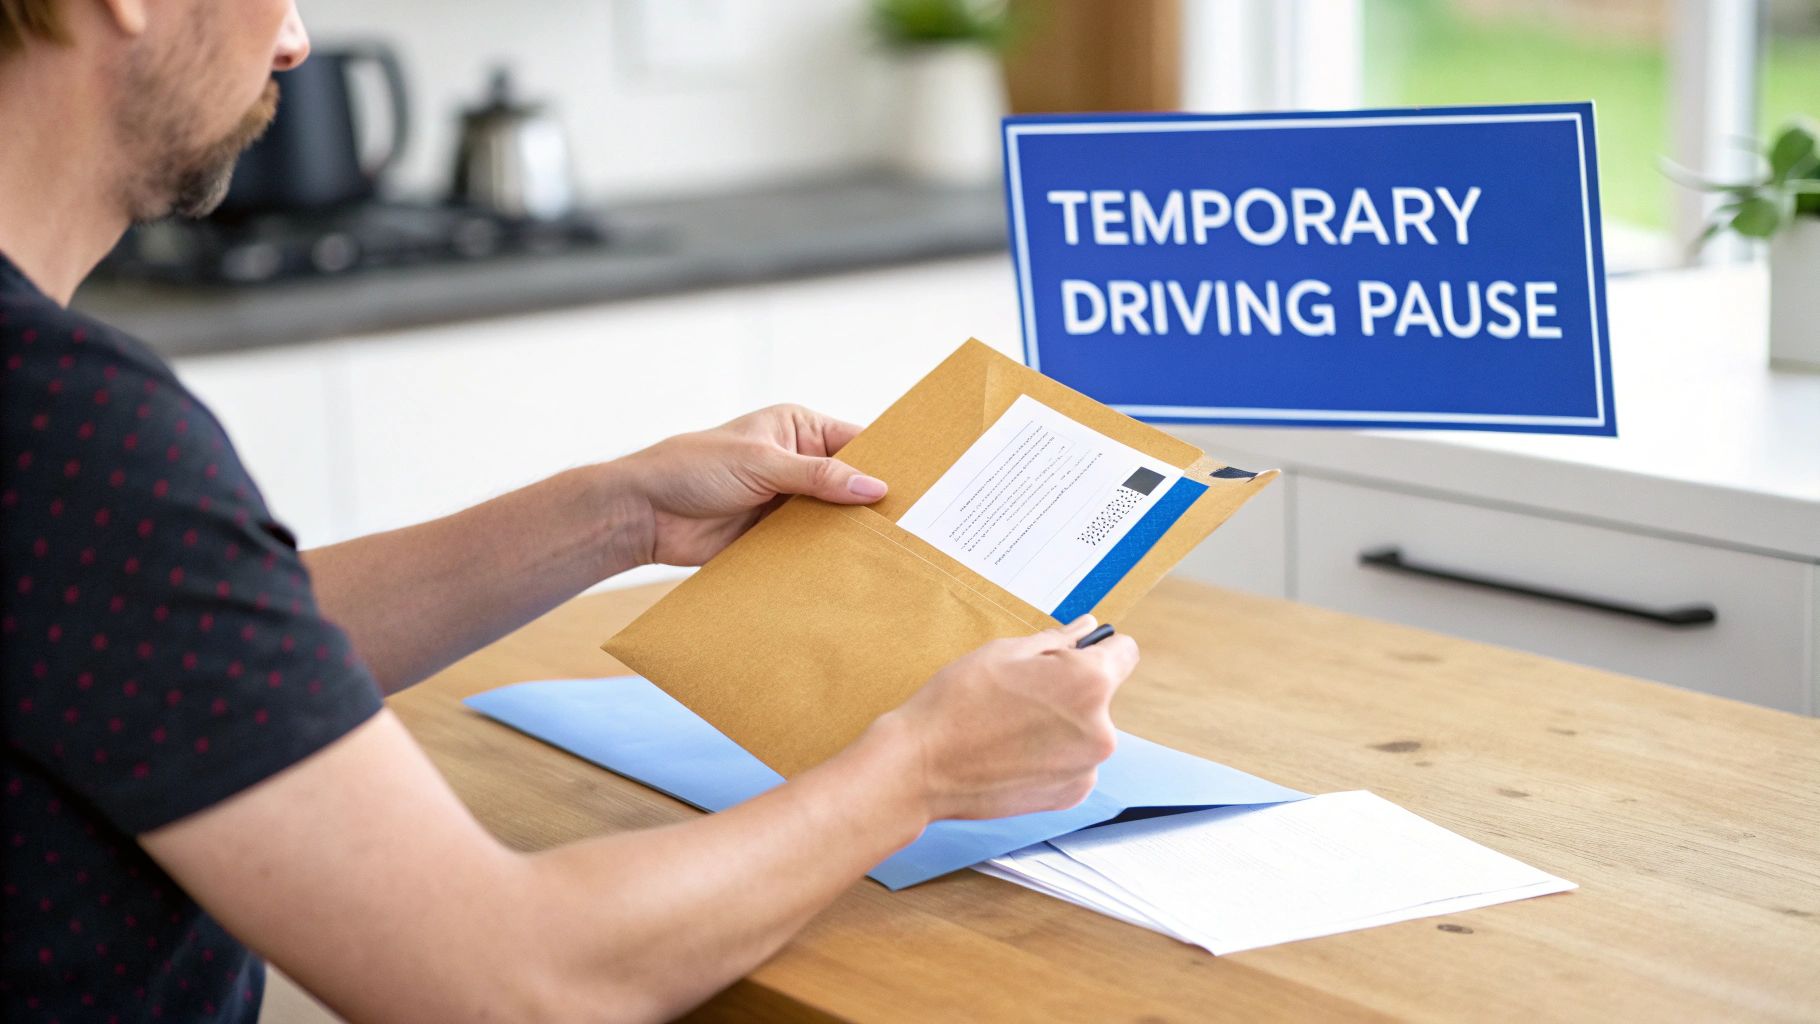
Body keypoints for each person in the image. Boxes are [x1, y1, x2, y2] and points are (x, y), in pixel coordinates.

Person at [0, 2, 1140, 1020]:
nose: (293, 37)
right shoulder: (60, 422)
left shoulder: (54, 454)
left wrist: (620, 512)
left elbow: (146, 643)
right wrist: (920, 769)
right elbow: (510, 978)